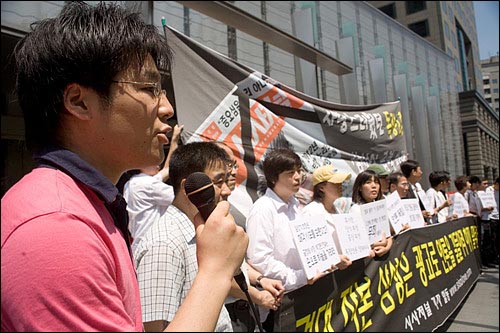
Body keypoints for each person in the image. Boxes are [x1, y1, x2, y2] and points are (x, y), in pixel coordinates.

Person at [1, 3, 247, 332]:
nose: (167, 108)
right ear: (78, 101)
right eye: (148, 89)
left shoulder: (87, 205)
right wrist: (215, 272)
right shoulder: (56, 229)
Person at [245, 148, 337, 331]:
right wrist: (299, 277)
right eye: (290, 173)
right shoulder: (263, 210)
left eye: (299, 170)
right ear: (273, 178)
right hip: (279, 304)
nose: (298, 177)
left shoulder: (295, 205)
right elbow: (260, 259)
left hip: (303, 294)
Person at [216, 142, 285, 332]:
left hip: (244, 309)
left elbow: (235, 263)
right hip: (224, 312)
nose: (231, 171)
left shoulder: (230, 209)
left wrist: (260, 279)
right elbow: (219, 272)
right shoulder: (204, 218)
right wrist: (259, 296)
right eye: (226, 164)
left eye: (233, 165)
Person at [123, 123, 183, 250]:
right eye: (153, 159)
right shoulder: (147, 185)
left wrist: (174, 140)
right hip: (152, 245)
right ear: (139, 164)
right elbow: (182, 197)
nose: (158, 163)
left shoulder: (134, 183)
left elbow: (167, 168)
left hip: (139, 244)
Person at [302, 164, 354, 268]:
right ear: (321, 188)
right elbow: (310, 250)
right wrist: (334, 259)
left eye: (341, 182)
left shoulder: (337, 209)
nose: (340, 185)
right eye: (335, 183)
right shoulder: (310, 212)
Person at [349, 170, 393, 257]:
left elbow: (389, 235)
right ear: (360, 187)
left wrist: (386, 248)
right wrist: (373, 245)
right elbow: (356, 243)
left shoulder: (380, 207)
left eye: (376, 182)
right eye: (368, 182)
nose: (374, 186)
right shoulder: (356, 210)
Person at [400, 159, 433, 223]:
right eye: (419, 170)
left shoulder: (418, 186)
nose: (421, 172)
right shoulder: (404, 190)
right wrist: (420, 214)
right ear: (413, 172)